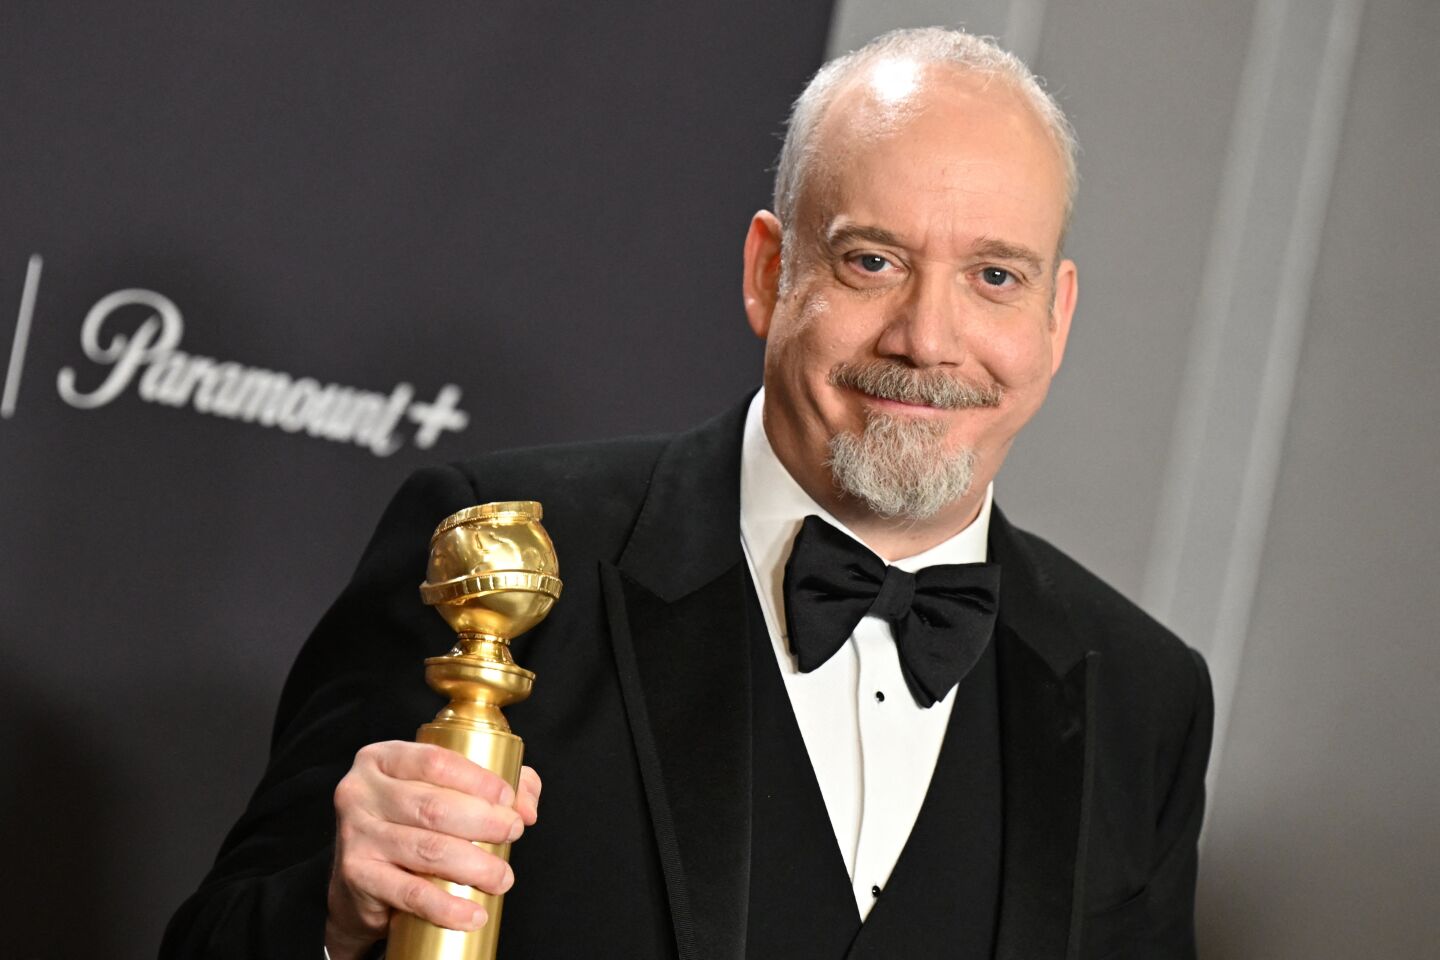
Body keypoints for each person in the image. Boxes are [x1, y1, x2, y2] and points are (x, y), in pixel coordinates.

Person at [164, 27, 1212, 960]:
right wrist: (341, 916)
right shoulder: (501, 554)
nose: (927, 338)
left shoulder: (1142, 699)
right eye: (872, 260)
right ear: (769, 272)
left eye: (995, 277)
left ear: (1056, 316)